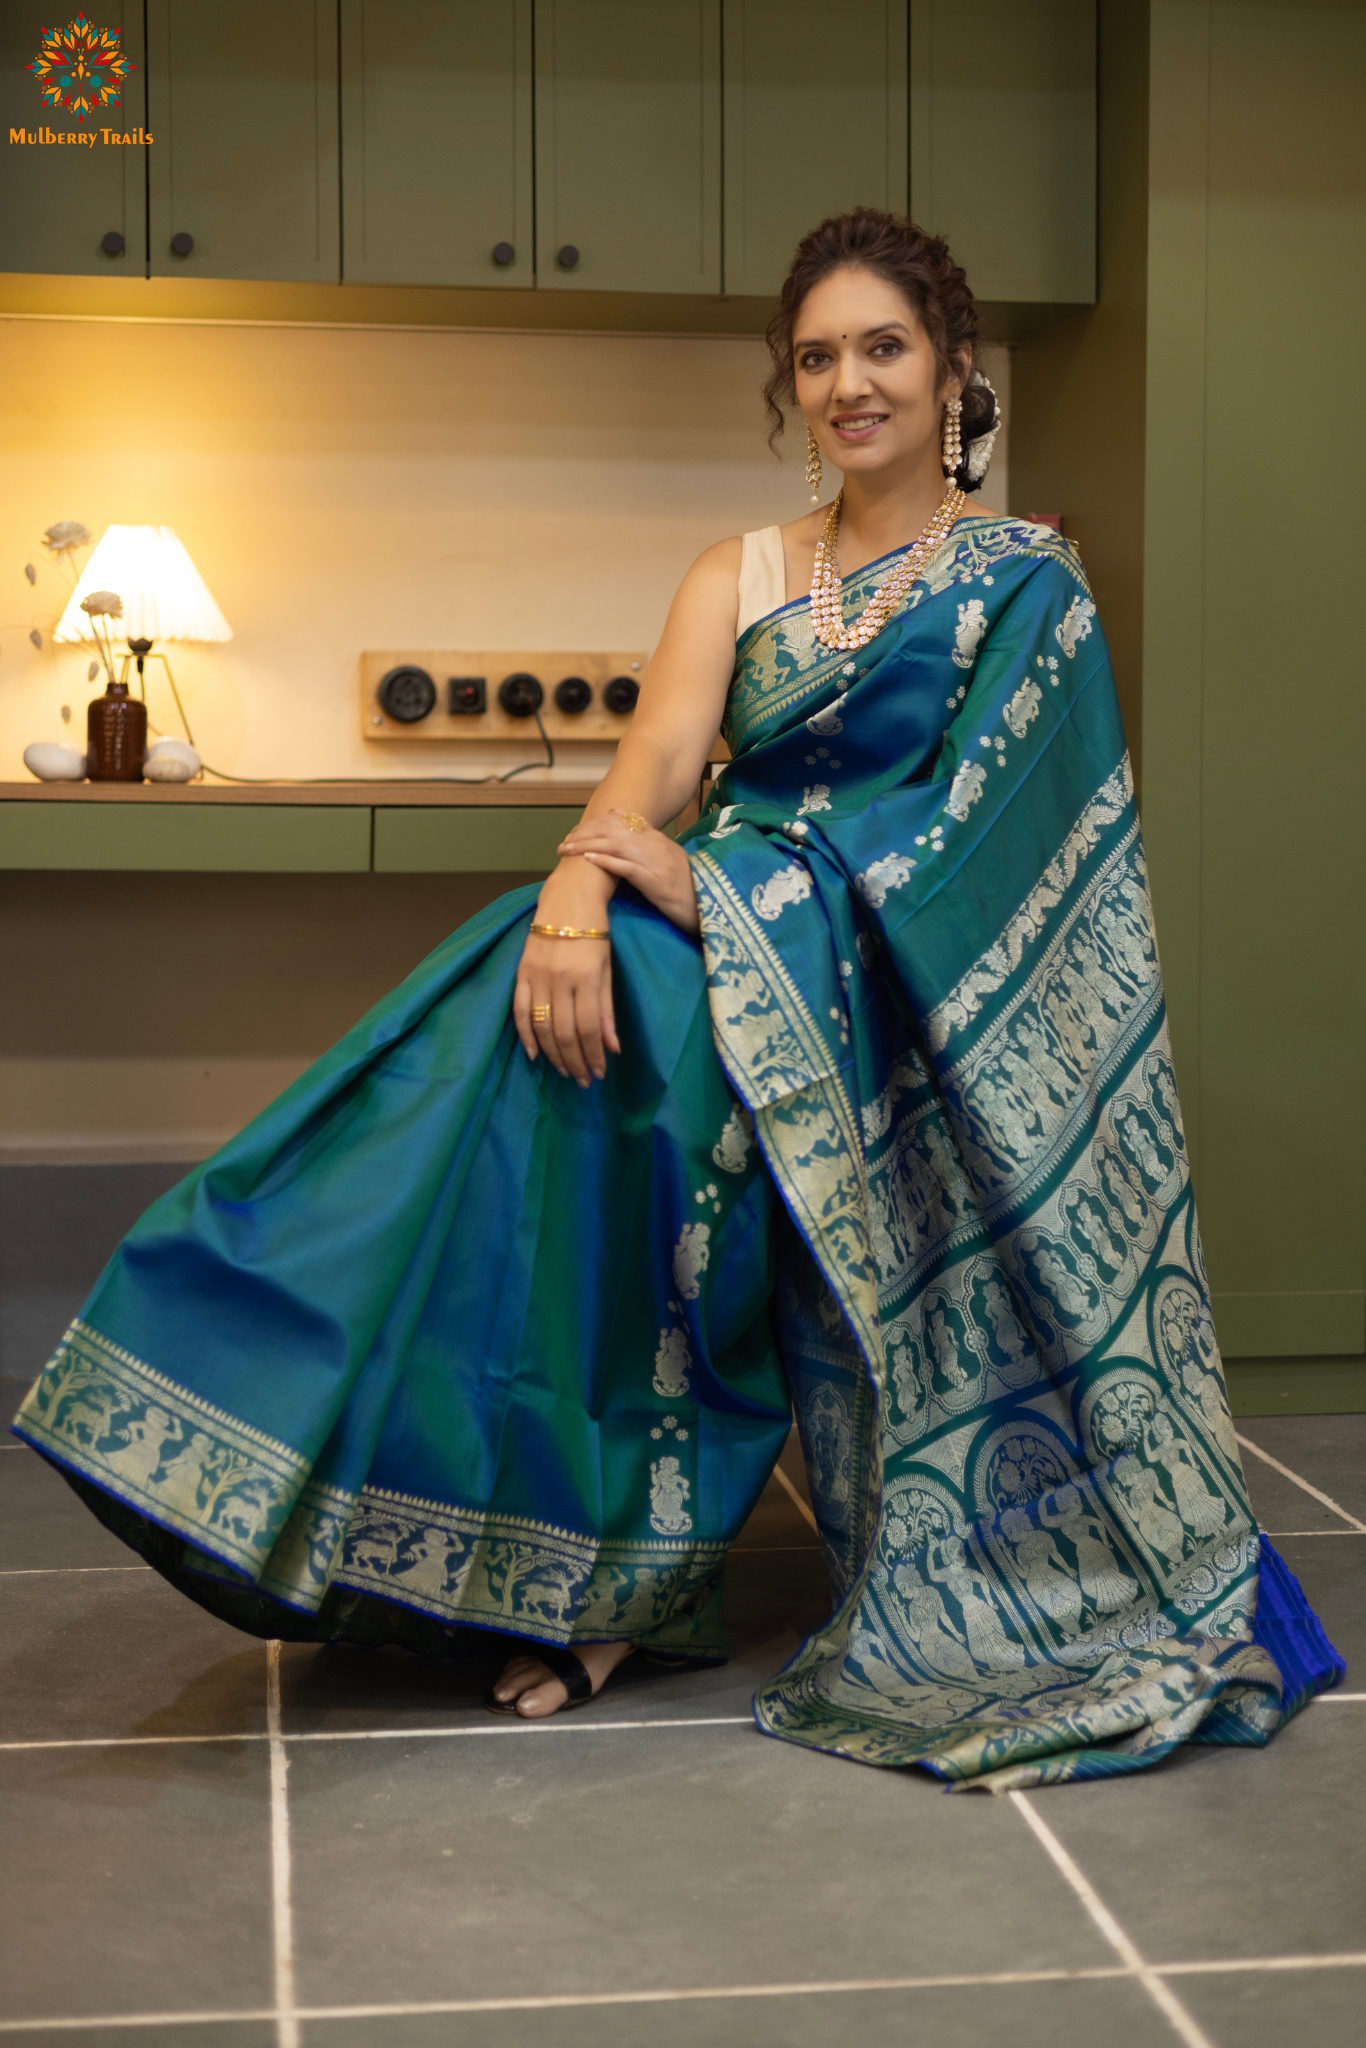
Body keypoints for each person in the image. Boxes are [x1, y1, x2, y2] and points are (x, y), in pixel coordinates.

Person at [12, 210, 1342, 1789]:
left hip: (874, 987)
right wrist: (576, 892)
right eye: (817, 357)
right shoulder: (742, 571)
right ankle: (297, 1384)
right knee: (515, 1011)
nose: (849, 384)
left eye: (883, 349)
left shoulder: (1023, 586)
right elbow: (654, 768)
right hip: (696, 922)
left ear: (951, 370)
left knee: (634, 1045)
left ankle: (601, 1573)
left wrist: (711, 896)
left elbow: (977, 846)